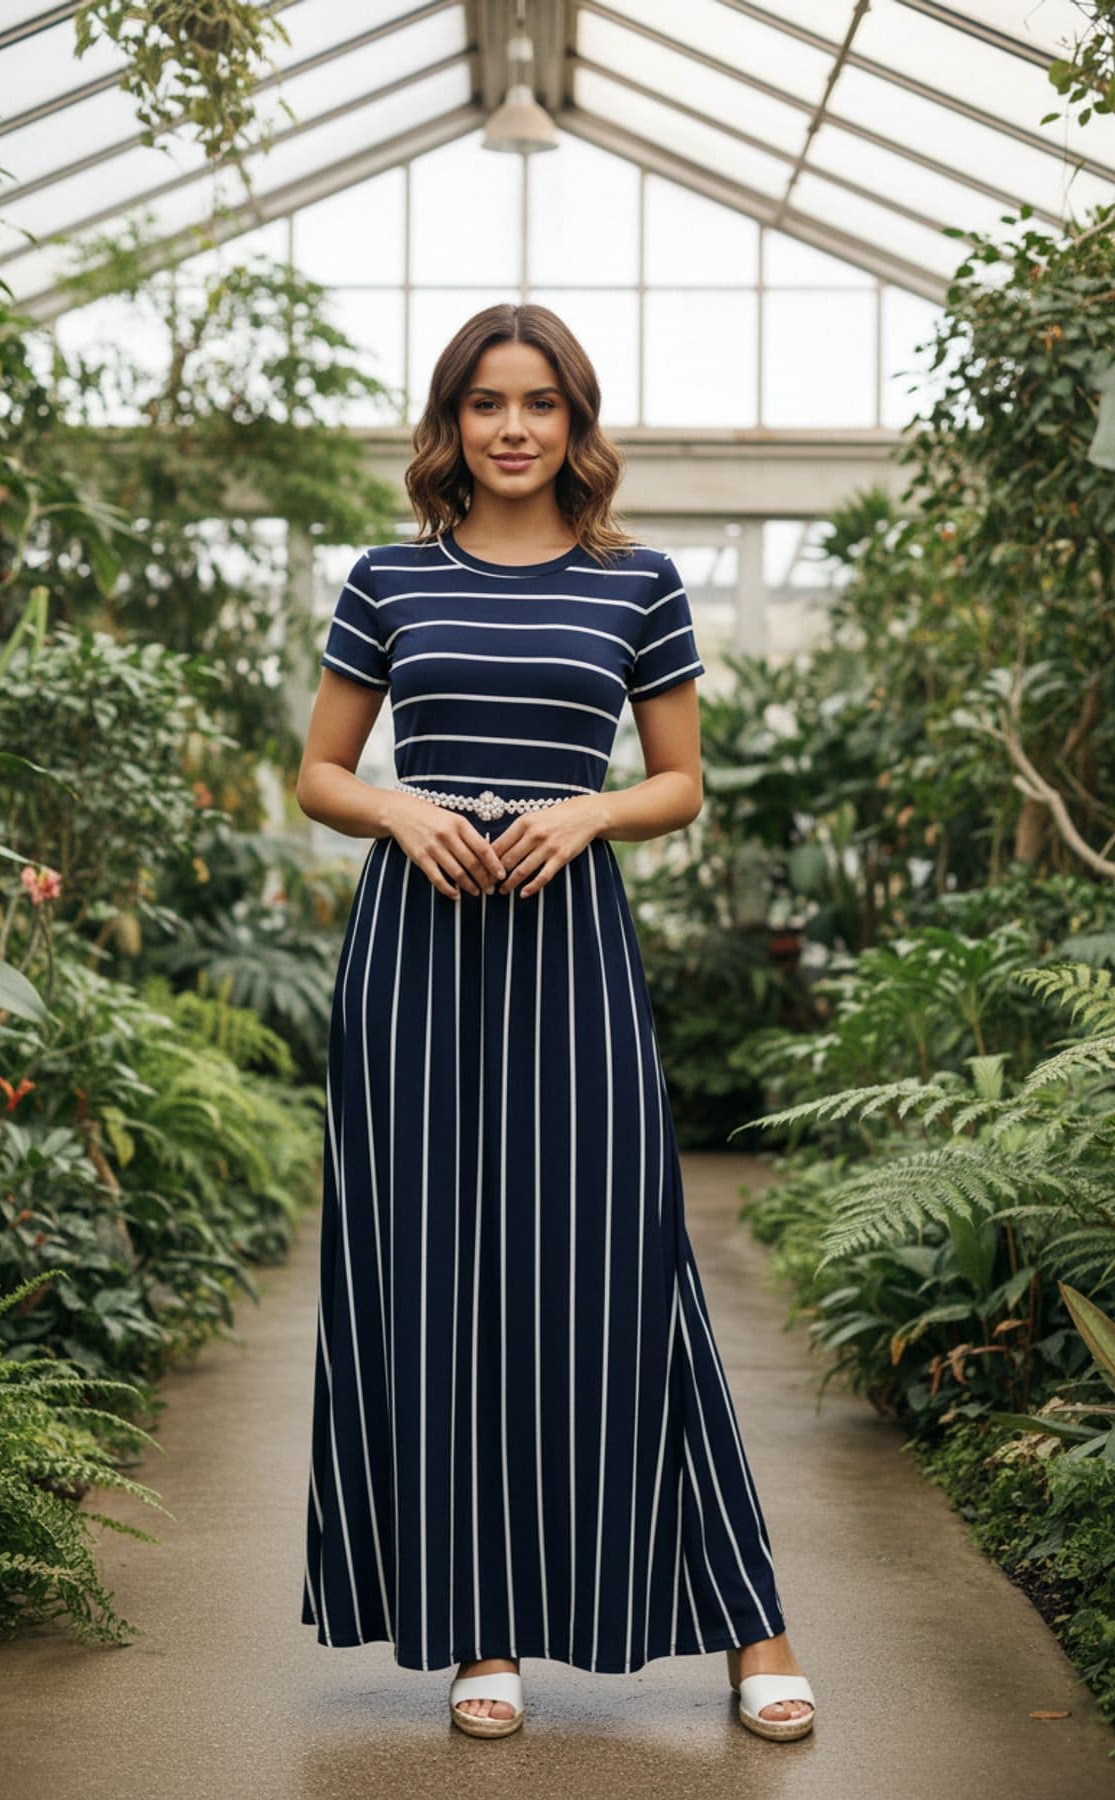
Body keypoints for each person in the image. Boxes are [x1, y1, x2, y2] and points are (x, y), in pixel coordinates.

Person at [295, 302, 815, 1744]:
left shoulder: (636, 585)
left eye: (541, 404)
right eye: (485, 403)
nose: (513, 428)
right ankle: (481, 1629)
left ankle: (749, 1623)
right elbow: (321, 775)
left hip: (571, 959)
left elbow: (679, 782)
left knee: (624, 1275)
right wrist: (400, 806)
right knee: (436, 1283)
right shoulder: (388, 581)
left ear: (578, 425)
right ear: (449, 424)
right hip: (416, 962)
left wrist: (587, 812)